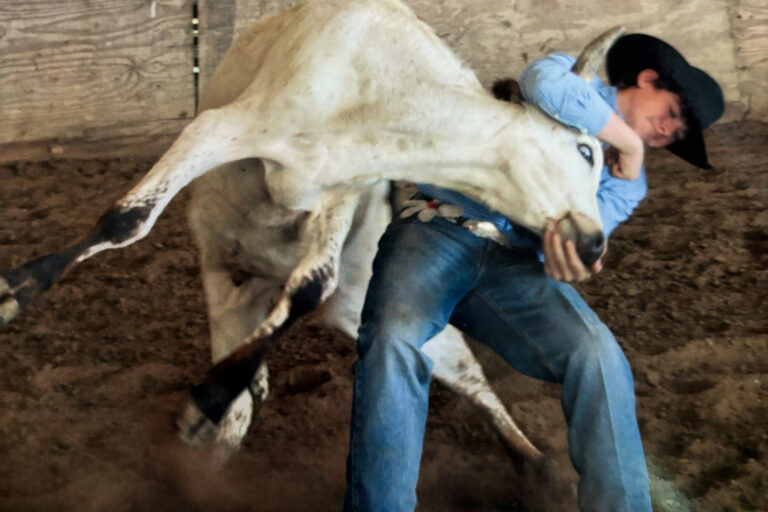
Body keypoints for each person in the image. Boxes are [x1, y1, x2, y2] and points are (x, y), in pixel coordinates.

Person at [343, 34, 724, 512]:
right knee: (393, 336)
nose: (669, 130)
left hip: (515, 266)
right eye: (673, 111)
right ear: (648, 79)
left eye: (679, 132)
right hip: (439, 227)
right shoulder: (574, 81)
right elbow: (538, 81)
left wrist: (575, 255)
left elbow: (586, 234)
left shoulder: (631, 186)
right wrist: (625, 141)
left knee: (599, 354)